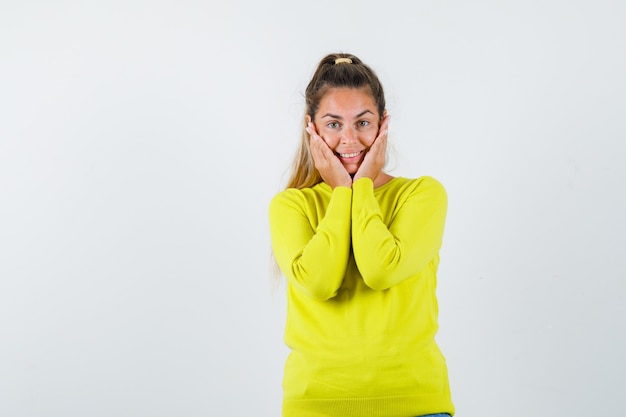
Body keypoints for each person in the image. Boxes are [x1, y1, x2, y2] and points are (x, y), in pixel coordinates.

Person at [268, 52, 454, 417]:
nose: (349, 139)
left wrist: (360, 187)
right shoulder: (291, 206)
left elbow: (381, 269)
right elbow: (319, 282)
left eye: (363, 122)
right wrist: (342, 193)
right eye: (333, 124)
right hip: (315, 405)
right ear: (312, 128)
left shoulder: (422, 195)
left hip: (414, 404)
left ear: (383, 124)